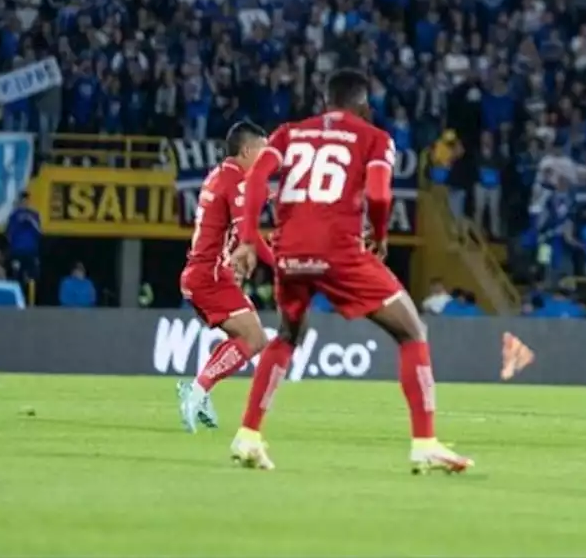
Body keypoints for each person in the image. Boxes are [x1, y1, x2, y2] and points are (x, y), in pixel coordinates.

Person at [229, 68, 470, 475]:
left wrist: (249, 240)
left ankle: (248, 435)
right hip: (339, 250)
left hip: (288, 251)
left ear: (325, 102)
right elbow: (378, 193)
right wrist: (379, 235)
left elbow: (255, 181)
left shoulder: (289, 133)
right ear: (363, 105)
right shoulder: (374, 138)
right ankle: (424, 442)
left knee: (288, 335)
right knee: (411, 331)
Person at [175, 120, 273, 434]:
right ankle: (198, 391)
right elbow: (250, 235)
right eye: (263, 150)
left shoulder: (219, 175)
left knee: (244, 337)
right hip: (211, 276)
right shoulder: (237, 182)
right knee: (254, 338)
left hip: (206, 274)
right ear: (246, 150)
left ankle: (199, 390)